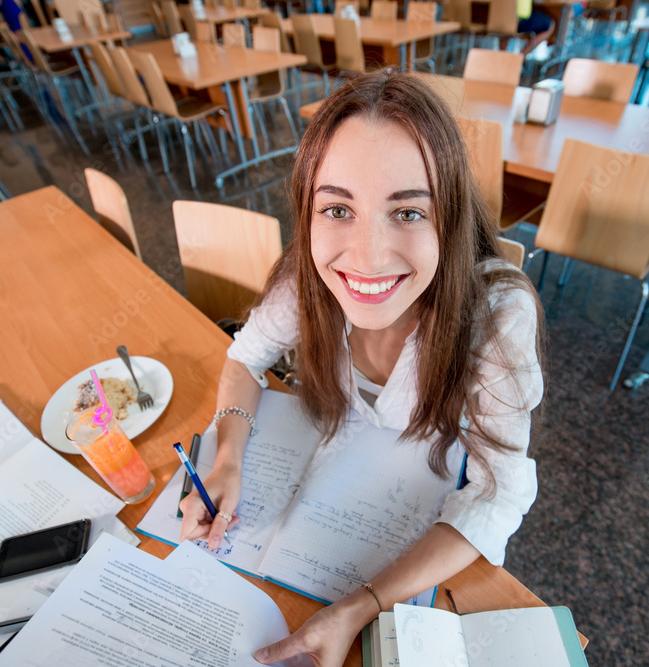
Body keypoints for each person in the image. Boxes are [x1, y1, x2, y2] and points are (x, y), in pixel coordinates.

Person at [179, 69, 545, 666]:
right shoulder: (307, 277)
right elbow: (245, 358)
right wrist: (226, 460)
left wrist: (358, 607)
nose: (368, 257)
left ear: (448, 219)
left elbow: (496, 497)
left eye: (407, 213)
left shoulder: (496, 317)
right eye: (337, 209)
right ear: (309, 211)